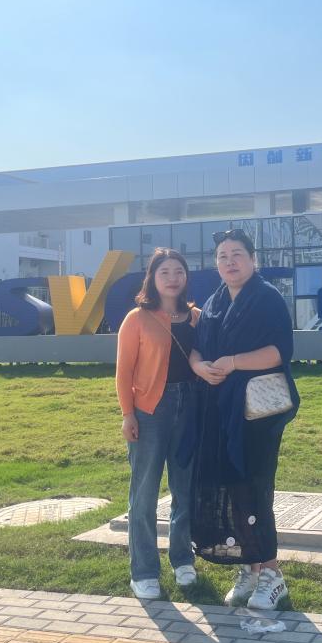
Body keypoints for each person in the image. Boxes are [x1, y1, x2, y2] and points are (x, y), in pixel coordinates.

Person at [187, 229, 300, 610]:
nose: (230, 261)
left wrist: (234, 362)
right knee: (232, 488)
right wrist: (200, 367)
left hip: (256, 412)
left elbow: (279, 351)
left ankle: (273, 575)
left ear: (254, 260)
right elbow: (196, 349)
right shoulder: (214, 302)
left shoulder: (266, 298)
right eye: (222, 256)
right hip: (218, 408)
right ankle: (250, 569)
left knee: (256, 487)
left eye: (237, 254)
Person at [116, 248, 201, 600]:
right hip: (150, 410)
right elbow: (124, 371)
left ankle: (182, 558)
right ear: (152, 278)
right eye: (164, 271)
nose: (172, 278)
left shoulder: (196, 317)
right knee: (144, 493)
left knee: (185, 489)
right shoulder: (136, 318)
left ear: (186, 277)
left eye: (178, 271)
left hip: (190, 406)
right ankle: (144, 571)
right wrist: (128, 414)